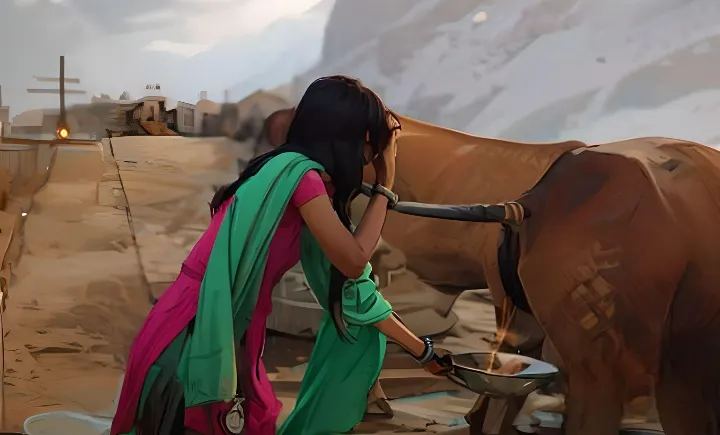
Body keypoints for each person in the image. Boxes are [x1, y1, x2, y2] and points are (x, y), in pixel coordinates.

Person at [110, 75, 453, 435]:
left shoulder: (283, 172)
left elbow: (352, 289)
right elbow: (354, 261)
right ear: (350, 138)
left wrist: (423, 352)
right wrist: (386, 184)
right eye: (372, 143)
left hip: (223, 325)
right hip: (195, 334)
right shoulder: (301, 180)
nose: (372, 155)